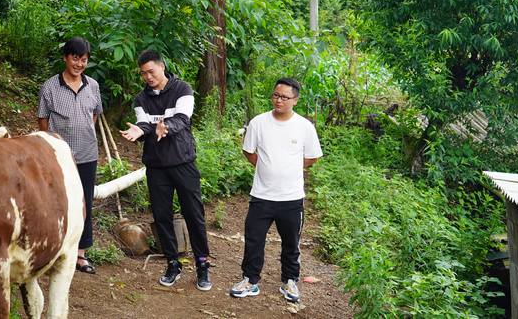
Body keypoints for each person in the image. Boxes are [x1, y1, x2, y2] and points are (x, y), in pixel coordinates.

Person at [119, 50, 212, 291]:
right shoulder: (141, 99)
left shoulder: (183, 90)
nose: (148, 77)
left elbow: (182, 118)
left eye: (151, 71)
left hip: (183, 162)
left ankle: (202, 264)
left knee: (194, 214)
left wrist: (165, 126)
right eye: (143, 73)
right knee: (162, 217)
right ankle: (173, 263)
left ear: (162, 67)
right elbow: (143, 123)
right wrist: (141, 131)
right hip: (156, 166)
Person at [229, 78, 322, 303]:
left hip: (291, 198)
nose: (279, 100)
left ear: (295, 100)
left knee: (291, 243)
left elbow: (312, 156)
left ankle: (290, 281)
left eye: (285, 97)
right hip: (262, 195)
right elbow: (249, 151)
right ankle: (250, 280)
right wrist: (266, 166)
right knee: (254, 240)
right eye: (276, 95)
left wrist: (288, 167)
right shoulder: (258, 123)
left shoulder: (304, 126)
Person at [38, 37, 103, 274]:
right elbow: (43, 120)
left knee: (84, 202)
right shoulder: (50, 87)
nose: (79, 64)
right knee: (56, 201)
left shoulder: (93, 86)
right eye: (75, 58)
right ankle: (53, 250)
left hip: (87, 154)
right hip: (58, 157)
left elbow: (94, 115)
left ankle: (80, 254)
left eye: (84, 60)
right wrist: (51, 146)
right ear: (66, 58)